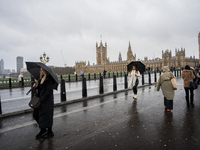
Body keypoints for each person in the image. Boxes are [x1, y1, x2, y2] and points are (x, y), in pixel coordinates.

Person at [33, 68, 54, 139]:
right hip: (41, 100)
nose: (39, 71)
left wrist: (41, 100)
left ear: (44, 71)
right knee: (36, 114)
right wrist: (36, 87)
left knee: (46, 116)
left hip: (47, 101)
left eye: (41, 70)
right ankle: (43, 129)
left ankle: (49, 131)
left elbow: (48, 91)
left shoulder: (49, 79)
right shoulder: (41, 79)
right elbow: (41, 89)